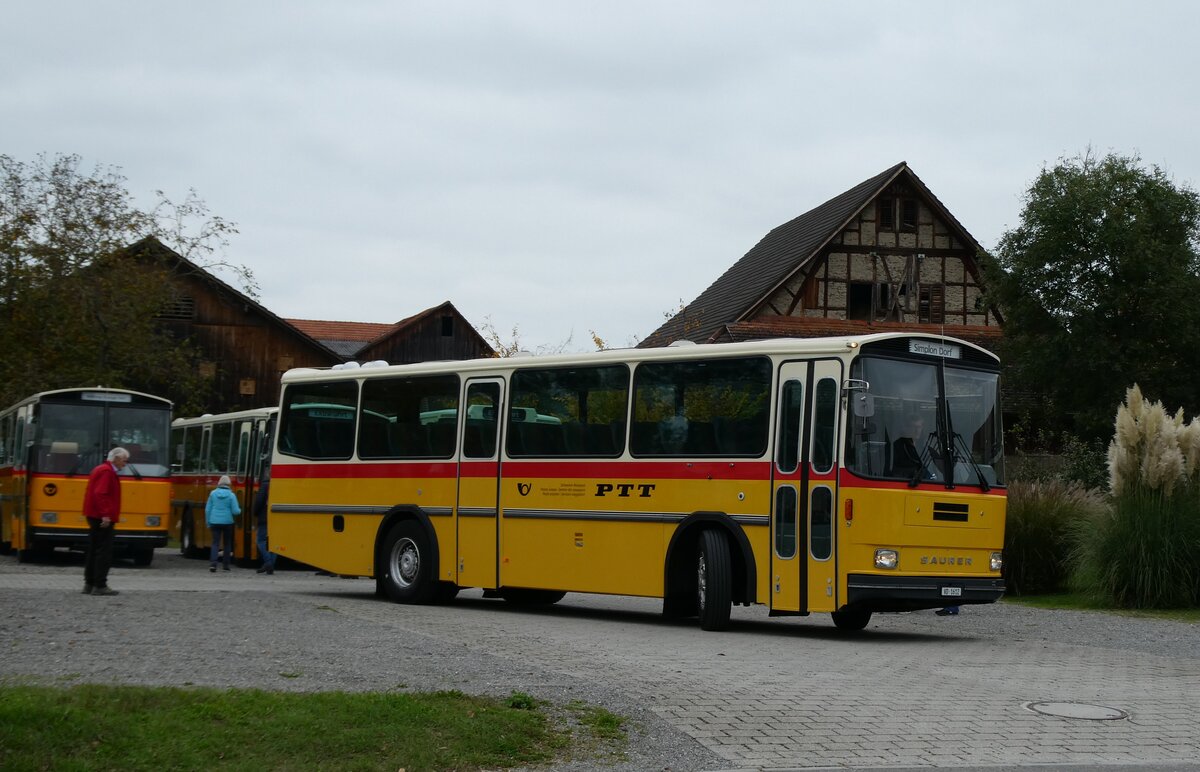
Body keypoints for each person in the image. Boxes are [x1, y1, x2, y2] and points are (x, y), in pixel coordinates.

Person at [83, 447, 130, 596]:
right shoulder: (107, 472)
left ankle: (89, 583)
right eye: (124, 460)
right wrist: (106, 515)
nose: (125, 463)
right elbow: (101, 493)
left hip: (93, 514)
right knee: (104, 551)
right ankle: (100, 584)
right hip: (101, 516)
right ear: (115, 459)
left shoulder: (100, 469)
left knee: (93, 549)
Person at [205, 475, 241, 572]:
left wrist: (208, 522)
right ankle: (226, 565)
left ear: (219, 483)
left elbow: (207, 509)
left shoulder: (213, 494)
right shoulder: (231, 495)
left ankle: (213, 564)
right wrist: (240, 510)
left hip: (214, 521)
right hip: (227, 522)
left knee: (215, 543)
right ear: (228, 484)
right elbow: (235, 511)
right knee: (227, 543)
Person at [890, 414, 928, 478]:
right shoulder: (898, 446)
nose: (917, 431)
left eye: (919, 427)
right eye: (914, 427)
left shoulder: (923, 444)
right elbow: (894, 469)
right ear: (906, 428)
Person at [253, 471, 276, 575]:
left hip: (264, 518)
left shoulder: (265, 485)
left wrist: (255, 512)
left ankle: (268, 562)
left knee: (260, 540)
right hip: (277, 517)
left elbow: (259, 501)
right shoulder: (279, 485)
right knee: (274, 542)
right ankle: (270, 565)